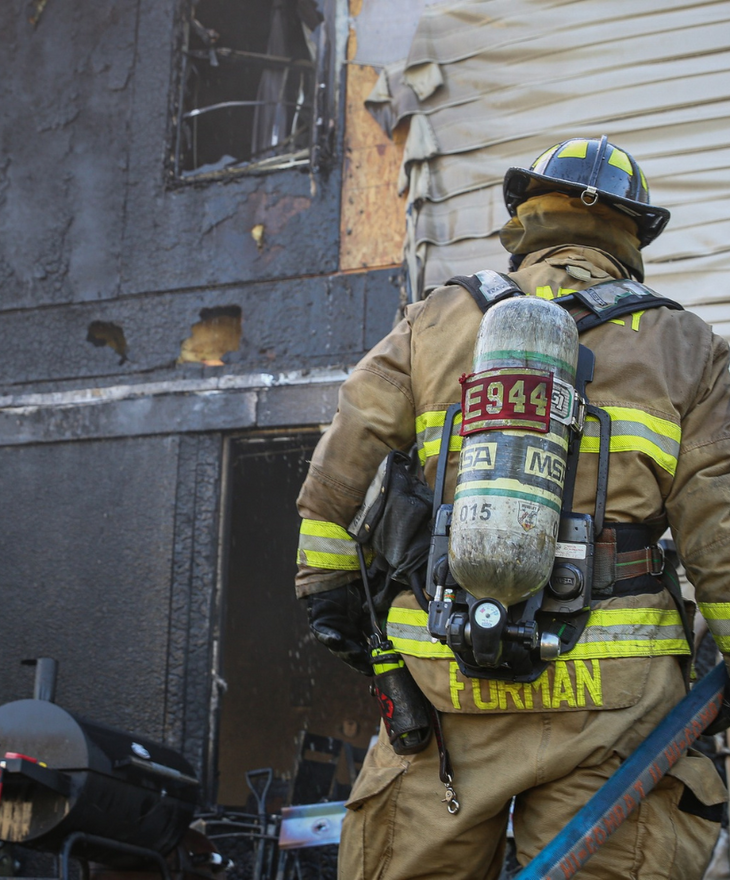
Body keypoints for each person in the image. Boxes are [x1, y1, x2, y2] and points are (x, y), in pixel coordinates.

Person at [296, 136, 730, 879]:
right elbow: (719, 543)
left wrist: (341, 611)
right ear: (631, 236)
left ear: (525, 217)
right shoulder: (687, 346)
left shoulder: (435, 320)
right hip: (616, 710)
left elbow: (338, 481)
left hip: (442, 693)